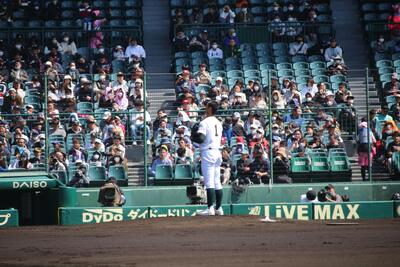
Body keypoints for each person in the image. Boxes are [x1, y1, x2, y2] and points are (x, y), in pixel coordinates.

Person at [192, 101, 223, 216]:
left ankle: (210, 208)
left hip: (208, 152)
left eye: (207, 106)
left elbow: (200, 138)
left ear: (210, 108)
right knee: (217, 182)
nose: (205, 108)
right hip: (217, 152)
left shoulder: (205, 122)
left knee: (209, 182)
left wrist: (192, 136)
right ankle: (218, 208)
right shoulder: (218, 122)